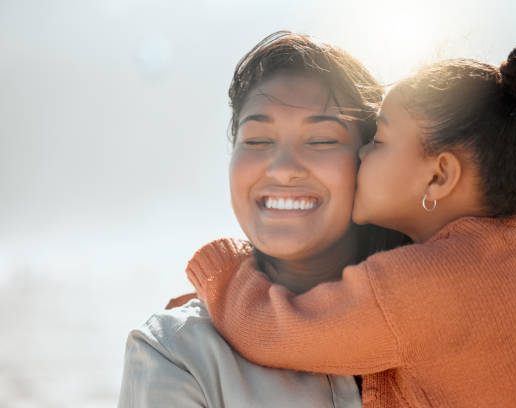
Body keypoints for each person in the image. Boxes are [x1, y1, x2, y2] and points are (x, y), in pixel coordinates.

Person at [187, 43, 516, 406]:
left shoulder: (429, 285)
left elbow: (273, 330)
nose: (362, 153)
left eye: (380, 141)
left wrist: (221, 273)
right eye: (258, 141)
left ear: (438, 176)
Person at [118, 31, 409, 407]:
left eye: (320, 140)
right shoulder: (179, 353)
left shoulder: (447, 314)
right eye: (257, 141)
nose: (284, 169)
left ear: (369, 161)